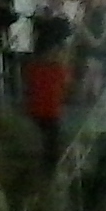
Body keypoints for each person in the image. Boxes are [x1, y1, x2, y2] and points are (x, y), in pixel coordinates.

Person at [22, 44, 71, 175]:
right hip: (50, 111)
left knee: (49, 140)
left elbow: (29, 88)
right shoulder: (60, 71)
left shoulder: (33, 69)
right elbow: (65, 89)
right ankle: (50, 169)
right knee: (52, 142)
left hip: (38, 110)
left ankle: (46, 167)